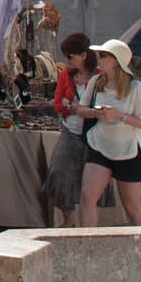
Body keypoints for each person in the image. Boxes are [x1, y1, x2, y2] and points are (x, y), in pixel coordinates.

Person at [77, 40, 141, 227]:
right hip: (99, 145)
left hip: (128, 150)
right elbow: (80, 109)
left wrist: (119, 116)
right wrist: (97, 113)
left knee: (132, 207)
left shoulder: (137, 88)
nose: (98, 59)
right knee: (87, 197)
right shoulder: (96, 82)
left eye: (103, 56)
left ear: (116, 60)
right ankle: (89, 248)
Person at [45, 32, 99, 226]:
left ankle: (89, 223)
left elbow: (101, 106)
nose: (67, 60)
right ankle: (68, 219)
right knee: (59, 172)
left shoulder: (98, 76)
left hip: (92, 134)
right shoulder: (66, 75)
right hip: (70, 130)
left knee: (90, 180)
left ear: (83, 55)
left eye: (70, 56)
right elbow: (58, 104)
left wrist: (78, 107)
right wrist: (73, 108)